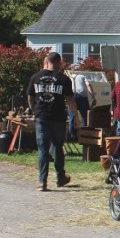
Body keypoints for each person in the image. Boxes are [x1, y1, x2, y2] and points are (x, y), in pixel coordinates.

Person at [27, 53, 81, 192]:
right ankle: (60, 177)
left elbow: (30, 97)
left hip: (42, 117)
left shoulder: (36, 77)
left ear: (47, 61)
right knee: (58, 147)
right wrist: (76, 116)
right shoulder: (63, 79)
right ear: (59, 62)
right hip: (58, 118)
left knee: (43, 150)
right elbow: (70, 99)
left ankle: (42, 182)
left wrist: (35, 110)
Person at [70, 71, 94, 138]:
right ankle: (85, 135)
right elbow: (88, 84)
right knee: (85, 117)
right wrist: (93, 97)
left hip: (72, 97)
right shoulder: (82, 76)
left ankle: (73, 136)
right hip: (82, 97)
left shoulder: (69, 77)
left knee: (72, 117)